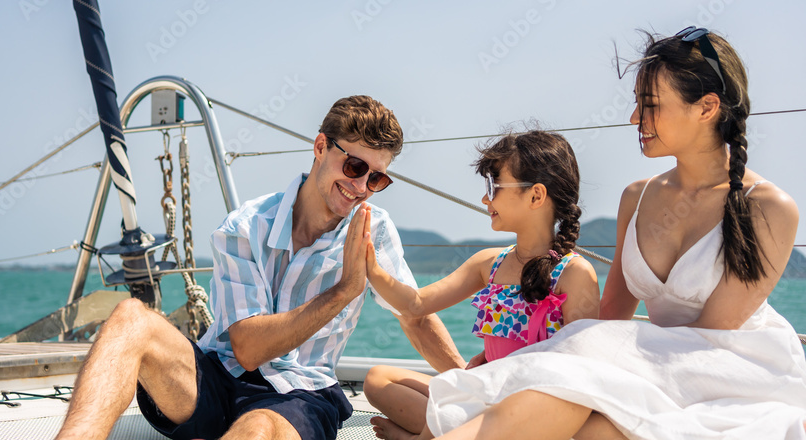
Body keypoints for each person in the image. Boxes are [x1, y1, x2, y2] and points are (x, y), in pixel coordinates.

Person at [422, 28, 806, 439]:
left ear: (707, 107)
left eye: (651, 105)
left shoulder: (766, 207)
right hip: (654, 364)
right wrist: (531, 356)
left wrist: (556, 363)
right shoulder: (638, 197)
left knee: (582, 416)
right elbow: (612, 315)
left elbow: (710, 339)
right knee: (558, 397)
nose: (634, 118)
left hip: (732, 375)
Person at [55, 95, 465, 440]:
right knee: (130, 317)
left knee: (258, 430)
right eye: (355, 167)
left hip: (300, 394)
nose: (360, 187)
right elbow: (248, 350)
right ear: (321, 146)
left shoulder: (372, 231)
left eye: (376, 179)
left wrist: (472, 383)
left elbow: (414, 316)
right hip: (214, 378)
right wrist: (343, 290)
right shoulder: (246, 225)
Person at [358, 130, 600, 440]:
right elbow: (415, 304)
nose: (485, 199)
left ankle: (425, 436)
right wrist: (372, 269)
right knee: (379, 379)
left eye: (494, 186)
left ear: (536, 196)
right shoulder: (489, 264)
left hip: (532, 417)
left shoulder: (575, 274)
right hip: (484, 398)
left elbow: (580, 377)